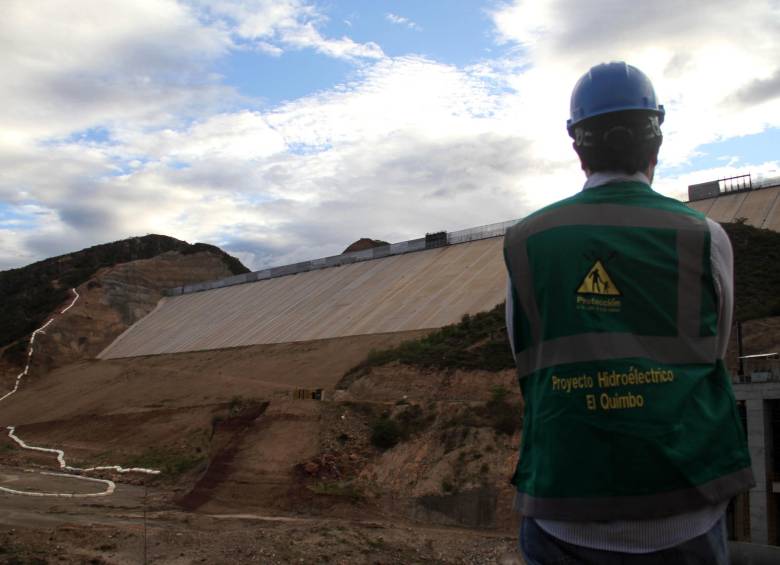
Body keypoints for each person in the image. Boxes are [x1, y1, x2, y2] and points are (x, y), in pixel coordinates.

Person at [503, 62, 754, 564]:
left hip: (564, 503)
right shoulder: (704, 236)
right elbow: (714, 350)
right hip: (685, 502)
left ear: (578, 147)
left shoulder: (526, 241)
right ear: (655, 140)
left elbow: (524, 353)